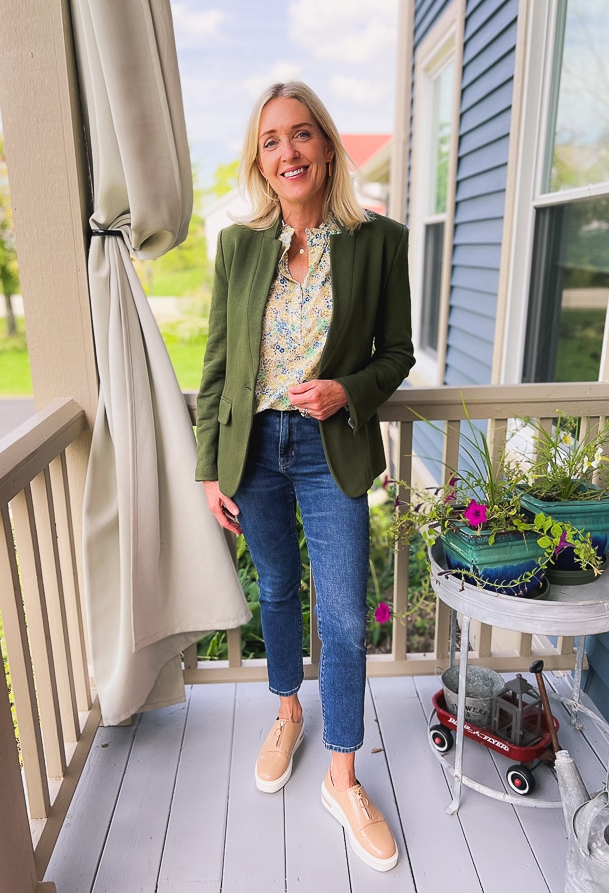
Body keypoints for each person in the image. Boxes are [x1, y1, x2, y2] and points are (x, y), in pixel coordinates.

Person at [195, 81, 414, 873]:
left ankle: (344, 774)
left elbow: (398, 353)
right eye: (269, 142)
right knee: (278, 591)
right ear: (261, 160)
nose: (285, 152)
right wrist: (209, 468)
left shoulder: (378, 240)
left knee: (348, 616)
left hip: (331, 450)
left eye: (299, 135)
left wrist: (345, 390)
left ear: (325, 146)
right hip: (252, 450)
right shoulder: (239, 245)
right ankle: (286, 711)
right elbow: (220, 364)